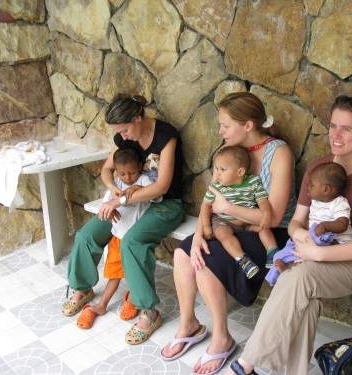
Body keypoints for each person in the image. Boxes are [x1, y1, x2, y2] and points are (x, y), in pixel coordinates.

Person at [226, 95, 352, 375]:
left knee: (300, 276)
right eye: (333, 126)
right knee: (307, 298)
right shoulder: (319, 170)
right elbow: (295, 222)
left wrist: (319, 253)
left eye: (347, 129)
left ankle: (246, 364)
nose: (336, 135)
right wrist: (301, 237)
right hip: (316, 254)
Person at [161, 92, 297, 375]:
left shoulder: (279, 153)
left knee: (208, 260)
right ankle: (189, 325)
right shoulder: (228, 152)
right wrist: (199, 233)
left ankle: (222, 338)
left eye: (225, 125)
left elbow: (271, 216)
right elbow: (210, 200)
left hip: (271, 233)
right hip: (229, 226)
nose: (220, 131)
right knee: (184, 252)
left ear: (248, 125)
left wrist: (228, 207)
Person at [61, 94, 185, 345]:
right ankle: (83, 288)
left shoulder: (166, 137)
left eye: (125, 130)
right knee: (87, 235)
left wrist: (120, 201)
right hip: (127, 203)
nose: (123, 137)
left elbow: (161, 186)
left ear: (138, 118)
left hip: (165, 205)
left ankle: (149, 312)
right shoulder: (123, 136)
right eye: (119, 132)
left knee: (132, 242)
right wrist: (114, 190)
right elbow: (107, 170)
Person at [76, 148, 160, 329]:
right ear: (116, 172)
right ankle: (101, 305)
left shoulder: (143, 180)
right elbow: (107, 203)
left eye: (132, 172)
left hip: (133, 238)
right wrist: (111, 207)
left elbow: (157, 194)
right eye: (122, 173)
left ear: (139, 167)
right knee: (114, 274)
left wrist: (139, 188)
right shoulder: (116, 184)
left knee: (137, 271)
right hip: (117, 237)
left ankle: (134, 297)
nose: (128, 177)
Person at [265, 161, 352, 286]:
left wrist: (325, 226)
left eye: (312, 185)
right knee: (282, 254)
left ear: (326, 189)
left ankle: (289, 268)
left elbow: (342, 224)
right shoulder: (316, 203)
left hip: (337, 245)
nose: (308, 187)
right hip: (317, 241)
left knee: (307, 260)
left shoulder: (339, 203)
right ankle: (285, 267)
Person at [202, 145, 278, 280]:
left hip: (246, 222)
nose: (217, 173)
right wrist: (206, 226)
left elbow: (262, 201)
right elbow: (206, 206)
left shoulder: (253, 182)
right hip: (224, 221)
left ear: (240, 172)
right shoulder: (217, 187)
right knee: (222, 234)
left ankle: (273, 253)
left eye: (222, 169)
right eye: (217, 169)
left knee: (263, 228)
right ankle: (242, 260)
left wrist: (266, 215)